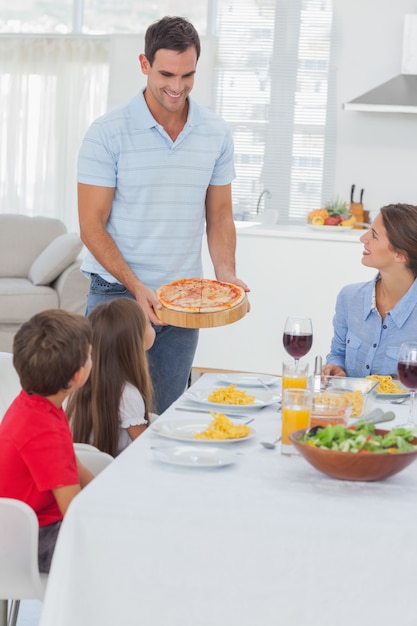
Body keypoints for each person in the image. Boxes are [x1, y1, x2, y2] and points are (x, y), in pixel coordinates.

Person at [77, 15, 249, 414]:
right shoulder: (107, 132)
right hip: (117, 297)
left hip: (183, 303)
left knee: (165, 418)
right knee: (104, 420)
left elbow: (220, 216)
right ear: (144, 64)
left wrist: (225, 276)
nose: (177, 86)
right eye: (166, 74)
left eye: (187, 75)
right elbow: (91, 225)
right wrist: (136, 286)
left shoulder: (216, 132)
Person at [0, 309, 94, 573]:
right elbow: (73, 510)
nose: (91, 358)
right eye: (89, 355)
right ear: (77, 376)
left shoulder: (38, 403)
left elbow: (72, 465)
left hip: (28, 526)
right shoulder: (45, 431)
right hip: (29, 539)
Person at [323, 203, 417, 378]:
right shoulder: (349, 298)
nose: (363, 238)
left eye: (374, 235)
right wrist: (336, 368)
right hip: (352, 405)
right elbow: (337, 353)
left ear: (400, 255)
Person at [67, 298, 155, 457]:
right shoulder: (128, 394)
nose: (152, 327)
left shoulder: (78, 386)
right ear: (135, 342)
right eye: (149, 324)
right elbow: (148, 449)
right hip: (114, 471)